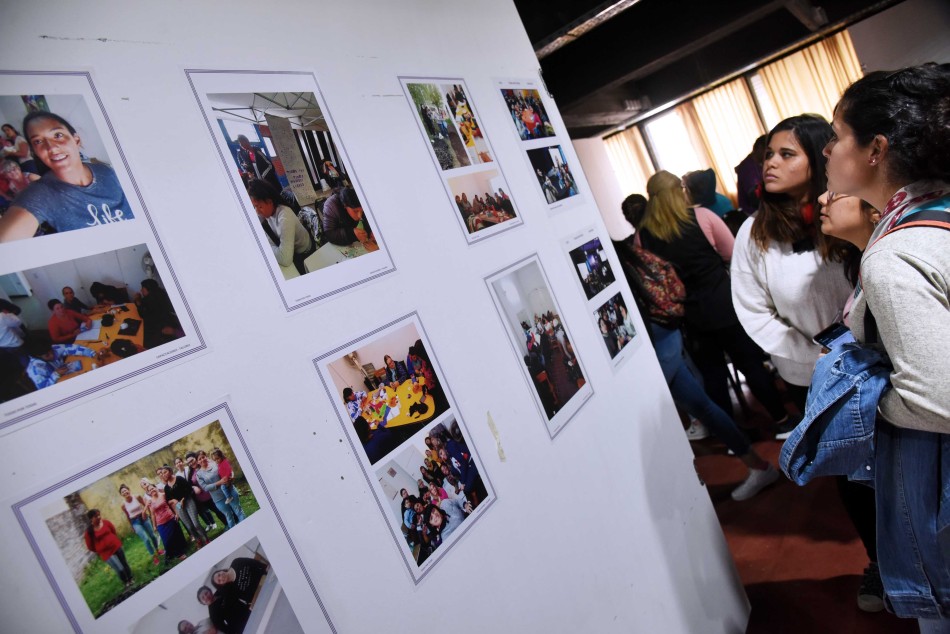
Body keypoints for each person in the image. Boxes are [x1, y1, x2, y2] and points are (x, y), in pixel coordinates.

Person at [822, 63, 950, 631]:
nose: (828, 149)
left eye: (836, 135)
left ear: (875, 149)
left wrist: (866, 406)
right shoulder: (936, 211)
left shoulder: (894, 255)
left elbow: (935, 400)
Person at [637, 171, 790, 433]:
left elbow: (651, 276)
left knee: (713, 375)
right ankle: (781, 421)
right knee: (750, 363)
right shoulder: (702, 217)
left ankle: (733, 433)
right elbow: (731, 252)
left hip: (689, 315)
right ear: (680, 190)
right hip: (723, 304)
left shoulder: (643, 236)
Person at [731, 115, 854, 425]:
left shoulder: (850, 210)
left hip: (871, 361)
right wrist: (814, 354)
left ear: (817, 157)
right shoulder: (753, 232)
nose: (770, 163)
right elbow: (753, 310)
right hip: (807, 374)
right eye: (769, 154)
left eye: (786, 154)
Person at [0, 112, 133, 241]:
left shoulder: (107, 171)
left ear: (76, 140)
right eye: (38, 141)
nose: (51, 147)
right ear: (36, 152)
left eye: (58, 135)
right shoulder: (41, 194)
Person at [247, 179, 313, 276]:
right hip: (290, 249)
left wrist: (266, 247)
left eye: (259, 207)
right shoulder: (267, 211)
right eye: (254, 207)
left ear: (270, 202)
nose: (257, 211)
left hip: (304, 252)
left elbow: (286, 259)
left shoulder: (284, 217)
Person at [158, 464, 209, 548]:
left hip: (188, 501)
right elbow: (168, 500)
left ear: (170, 471)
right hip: (179, 506)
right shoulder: (166, 487)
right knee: (189, 526)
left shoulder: (179, 479)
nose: (164, 474)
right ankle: (198, 540)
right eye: (162, 473)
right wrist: (173, 501)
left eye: (165, 472)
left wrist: (183, 499)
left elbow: (189, 489)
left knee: (195, 524)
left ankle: (206, 538)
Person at [83, 509, 133, 587]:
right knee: (119, 568)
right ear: (91, 519)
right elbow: (90, 546)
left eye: (99, 515)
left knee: (124, 563)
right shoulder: (88, 532)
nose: (99, 517)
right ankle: (125, 581)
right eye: (96, 516)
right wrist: (100, 548)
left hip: (116, 546)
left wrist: (112, 541)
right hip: (106, 553)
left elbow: (113, 531)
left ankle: (130, 578)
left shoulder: (106, 522)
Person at [196, 450, 245, 527]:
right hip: (218, 499)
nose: (202, 459)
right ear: (197, 462)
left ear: (206, 457)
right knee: (229, 517)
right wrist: (220, 482)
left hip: (230, 490)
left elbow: (228, 468)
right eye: (199, 459)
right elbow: (205, 487)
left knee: (238, 511)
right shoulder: (199, 474)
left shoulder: (215, 463)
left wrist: (232, 475)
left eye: (203, 457)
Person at [119, 484, 164, 565]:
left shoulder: (137, 497)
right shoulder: (123, 505)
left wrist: (150, 514)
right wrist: (132, 526)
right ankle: (153, 556)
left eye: (126, 490)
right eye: (123, 492)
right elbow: (127, 516)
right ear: (121, 494)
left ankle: (158, 550)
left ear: (129, 490)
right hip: (135, 522)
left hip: (144, 518)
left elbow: (146, 505)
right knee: (146, 539)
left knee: (153, 536)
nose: (125, 492)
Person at [25, 339, 98, 389]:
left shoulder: (52, 349)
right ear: (38, 357)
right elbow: (44, 389)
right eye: (47, 355)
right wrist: (56, 374)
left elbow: (73, 348)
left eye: (51, 351)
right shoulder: (35, 370)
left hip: (66, 376)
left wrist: (93, 353)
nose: (52, 355)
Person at [135, 279, 181, 349]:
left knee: (140, 334)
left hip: (161, 327)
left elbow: (143, 315)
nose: (141, 290)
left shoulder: (150, 300)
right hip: (169, 322)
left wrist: (138, 302)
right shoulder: (160, 293)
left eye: (142, 288)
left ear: (148, 289)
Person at [735, 135, 768, 215]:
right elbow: (755, 196)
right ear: (760, 149)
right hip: (753, 211)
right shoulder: (748, 168)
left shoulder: (757, 162)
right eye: (767, 150)